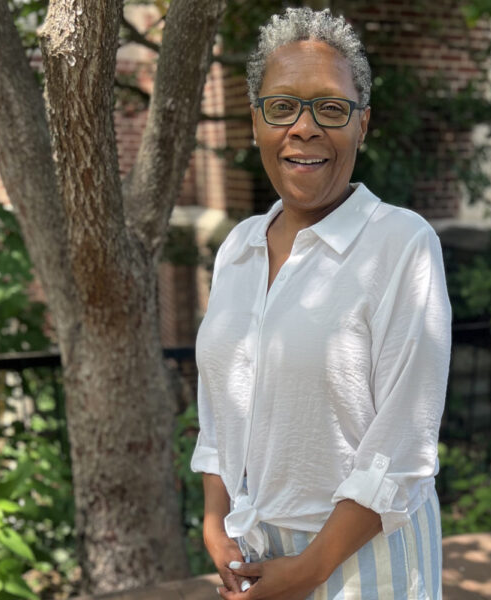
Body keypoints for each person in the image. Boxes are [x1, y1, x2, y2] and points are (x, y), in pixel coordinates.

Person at [190, 7, 451, 599]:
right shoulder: (237, 248)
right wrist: (215, 517)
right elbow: (218, 406)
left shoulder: (401, 244)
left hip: (365, 562)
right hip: (254, 554)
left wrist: (310, 570)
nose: (303, 128)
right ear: (256, 121)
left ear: (363, 124)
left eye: (331, 108)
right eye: (282, 107)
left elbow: (405, 444)